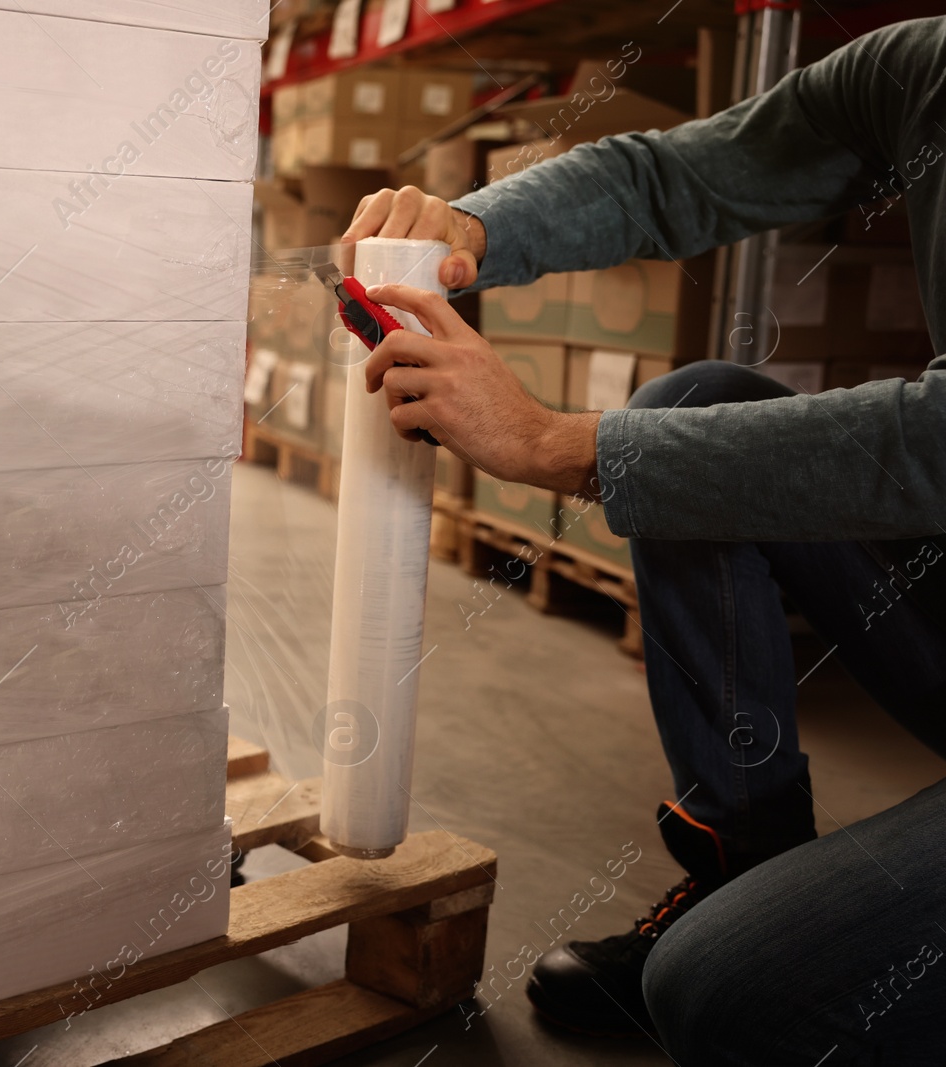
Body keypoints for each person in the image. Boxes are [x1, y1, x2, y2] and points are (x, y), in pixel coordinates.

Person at [340, 15, 946, 1063]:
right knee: (695, 401)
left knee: (728, 997)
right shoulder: (923, 67)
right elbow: (679, 174)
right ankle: (742, 854)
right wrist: (465, 231)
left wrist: (552, 442)